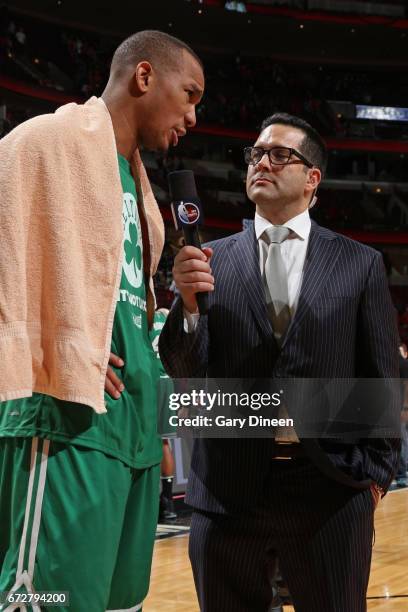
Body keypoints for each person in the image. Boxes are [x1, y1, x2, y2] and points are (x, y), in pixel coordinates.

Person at [159, 113, 400, 611]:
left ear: (313, 178)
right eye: (255, 154)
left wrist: (372, 476)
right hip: (227, 491)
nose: (261, 162)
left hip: (329, 490)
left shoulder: (360, 263)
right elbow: (187, 373)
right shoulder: (209, 261)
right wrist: (185, 305)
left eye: (278, 155)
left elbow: (381, 380)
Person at [0, 30, 204, 612]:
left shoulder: (144, 196)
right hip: (67, 423)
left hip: (134, 434)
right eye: (189, 95)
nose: (192, 117)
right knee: (50, 601)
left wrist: (185, 306)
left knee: (121, 605)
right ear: (145, 77)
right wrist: (53, 343)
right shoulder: (46, 140)